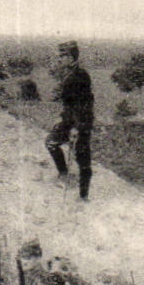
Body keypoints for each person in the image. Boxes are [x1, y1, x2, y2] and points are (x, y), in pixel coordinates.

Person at [46, 40, 94, 200]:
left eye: (63, 55)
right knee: (51, 142)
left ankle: (83, 196)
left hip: (80, 122)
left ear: (72, 57)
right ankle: (64, 175)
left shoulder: (80, 76)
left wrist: (76, 127)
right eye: (60, 55)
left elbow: (83, 104)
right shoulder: (68, 74)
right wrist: (61, 117)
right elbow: (69, 103)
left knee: (82, 159)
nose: (60, 59)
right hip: (69, 119)